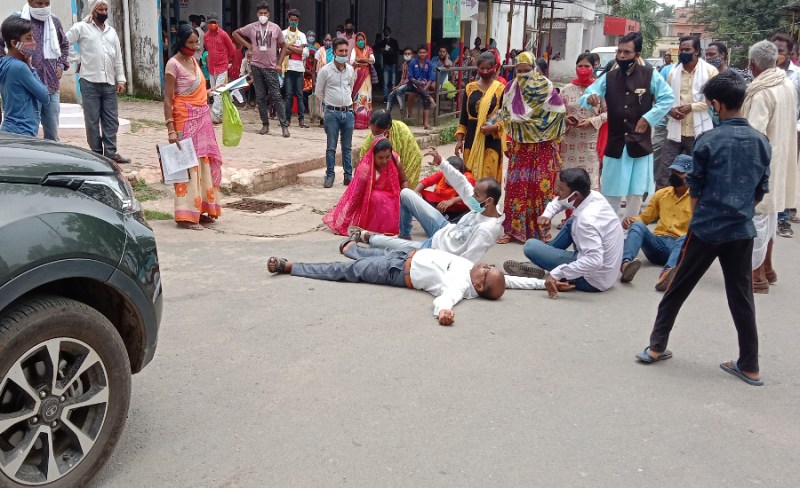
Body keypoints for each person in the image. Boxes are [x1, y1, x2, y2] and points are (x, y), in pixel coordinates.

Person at [636, 70, 771, 387]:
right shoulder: (761, 141)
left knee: (677, 288)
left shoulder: (708, 140)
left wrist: (697, 221)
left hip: (706, 229)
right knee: (742, 298)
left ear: (717, 104)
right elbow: (759, 190)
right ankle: (750, 365)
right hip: (741, 230)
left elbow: (694, 187)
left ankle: (656, 348)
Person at [268, 246, 507, 326]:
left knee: (348, 271)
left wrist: (443, 312)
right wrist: (542, 281)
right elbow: (513, 280)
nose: (486, 265)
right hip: (405, 255)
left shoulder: (458, 286)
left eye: (487, 270)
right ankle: (353, 249)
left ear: (478, 285)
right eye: (490, 266)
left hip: (394, 271)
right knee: (372, 253)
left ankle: (292, 267)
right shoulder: (471, 270)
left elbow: (445, 300)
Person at [350, 147, 504, 264]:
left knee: (389, 244)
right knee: (406, 194)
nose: (472, 197)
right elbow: (462, 183)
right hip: (444, 228)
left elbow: (467, 261)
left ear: (489, 200)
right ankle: (405, 233)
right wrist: (442, 162)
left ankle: (368, 237)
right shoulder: (480, 205)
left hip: (436, 249)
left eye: (476, 195)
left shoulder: (487, 230)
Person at [581, 32, 674, 220]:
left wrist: (649, 118)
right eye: (619, 52)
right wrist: (589, 98)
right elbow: (588, 95)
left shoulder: (650, 75)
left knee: (636, 194)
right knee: (610, 192)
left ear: (637, 54)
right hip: (615, 143)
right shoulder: (609, 77)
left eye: (627, 52)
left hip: (639, 143)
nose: (622, 56)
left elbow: (667, 98)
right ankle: (608, 233)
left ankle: (629, 233)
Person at [483, 51, 566, 243]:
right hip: (520, 146)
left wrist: (536, 125)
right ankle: (512, 230)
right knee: (515, 187)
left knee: (540, 188)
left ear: (534, 69)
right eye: (518, 71)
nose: (522, 75)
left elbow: (558, 112)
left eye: (526, 70)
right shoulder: (511, 87)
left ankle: (542, 230)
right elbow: (503, 112)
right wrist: (491, 123)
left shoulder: (545, 87)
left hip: (543, 146)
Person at [505, 168, 624, 292]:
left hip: (592, 279)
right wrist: (547, 215)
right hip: (607, 272)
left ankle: (540, 263)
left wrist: (556, 274)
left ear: (575, 195)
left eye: (561, 189)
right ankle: (542, 262)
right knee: (571, 222)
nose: (557, 192)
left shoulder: (585, 221)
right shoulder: (593, 196)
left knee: (530, 246)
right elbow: (560, 201)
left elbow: (594, 261)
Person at [742, 40, 798, 293]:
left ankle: (756, 276)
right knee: (771, 215)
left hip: (763, 162)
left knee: (759, 217)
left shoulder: (762, 91)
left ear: (752, 64)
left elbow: (754, 134)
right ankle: (767, 267)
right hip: (781, 156)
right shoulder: (785, 83)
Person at [163, 24, 224, 231]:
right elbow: (168, 98)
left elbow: (199, 90)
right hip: (184, 119)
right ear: (180, 42)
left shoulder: (194, 61)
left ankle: (202, 210)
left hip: (202, 119)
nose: (195, 46)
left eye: (197, 42)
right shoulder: (173, 65)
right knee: (188, 166)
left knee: (203, 162)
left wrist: (213, 90)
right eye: (190, 42)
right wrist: (170, 128)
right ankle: (186, 215)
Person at [66, 0, 130, 164]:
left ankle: (110, 153)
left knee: (111, 119)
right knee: (92, 120)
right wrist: (77, 59)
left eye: (105, 8)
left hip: (109, 82)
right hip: (89, 81)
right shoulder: (81, 27)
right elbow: (64, 43)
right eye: (100, 9)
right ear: (93, 10)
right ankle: (96, 153)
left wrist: (121, 79)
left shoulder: (111, 32)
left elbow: (117, 57)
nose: (103, 11)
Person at [620, 154, 693, 290]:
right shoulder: (662, 194)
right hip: (658, 244)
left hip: (679, 246)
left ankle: (666, 275)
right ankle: (625, 265)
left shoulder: (696, 198)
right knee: (637, 225)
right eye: (673, 171)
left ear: (690, 175)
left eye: (679, 173)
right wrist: (632, 220)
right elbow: (645, 218)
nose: (674, 175)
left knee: (685, 238)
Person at [0, 1, 68, 141]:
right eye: (39, 3)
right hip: (23, 123)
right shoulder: (17, 21)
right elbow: (43, 96)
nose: (43, 7)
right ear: (30, 1)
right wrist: (29, 66)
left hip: (51, 83)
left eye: (46, 3)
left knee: (52, 135)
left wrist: (61, 65)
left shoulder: (54, 21)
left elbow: (64, 45)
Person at [660, 36, 717, 191]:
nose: (683, 52)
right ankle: (661, 208)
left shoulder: (710, 71)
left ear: (697, 51)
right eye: (681, 50)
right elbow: (667, 98)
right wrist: (670, 110)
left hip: (699, 130)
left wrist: (690, 107)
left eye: (687, 50)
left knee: (699, 170)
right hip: (675, 128)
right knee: (666, 170)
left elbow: (710, 100)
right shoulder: (673, 72)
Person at [323, 137, 409, 236]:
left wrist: (405, 199)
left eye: (387, 157)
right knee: (378, 197)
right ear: (374, 156)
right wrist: (345, 222)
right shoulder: (365, 168)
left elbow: (404, 181)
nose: (385, 161)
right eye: (380, 158)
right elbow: (356, 195)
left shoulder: (394, 159)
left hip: (393, 198)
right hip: (371, 202)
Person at [233, 2, 289, 137]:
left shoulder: (275, 28)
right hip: (256, 66)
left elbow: (284, 46)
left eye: (265, 13)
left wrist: (279, 63)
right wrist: (248, 44)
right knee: (260, 97)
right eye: (260, 13)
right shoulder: (252, 27)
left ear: (269, 14)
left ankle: (284, 125)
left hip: (270, 67)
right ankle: (265, 124)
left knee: (276, 96)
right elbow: (235, 33)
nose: (263, 15)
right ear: (257, 14)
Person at [455, 52, 506, 183]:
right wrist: (460, 140)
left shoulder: (500, 89)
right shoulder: (469, 88)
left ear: (494, 68)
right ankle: (469, 204)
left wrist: (494, 127)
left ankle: (489, 203)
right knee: (470, 178)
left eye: (488, 68)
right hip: (472, 138)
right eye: (481, 68)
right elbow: (464, 116)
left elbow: (506, 115)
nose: (484, 71)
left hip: (491, 139)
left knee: (488, 178)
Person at [560, 53, 606, 191]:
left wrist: (592, 121)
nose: (583, 69)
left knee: (589, 186)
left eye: (587, 66)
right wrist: (565, 121)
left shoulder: (600, 90)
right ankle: (569, 213)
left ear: (594, 68)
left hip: (590, 145)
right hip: (568, 146)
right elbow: (556, 114)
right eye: (580, 66)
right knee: (568, 186)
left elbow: (607, 112)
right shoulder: (566, 90)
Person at [770, 33, 800, 238]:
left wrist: (796, 129)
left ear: (790, 53)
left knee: (783, 175)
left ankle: (782, 219)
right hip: (768, 131)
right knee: (767, 174)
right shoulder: (762, 72)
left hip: (790, 132)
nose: (777, 55)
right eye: (774, 51)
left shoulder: (797, 75)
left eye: (780, 51)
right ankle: (765, 215)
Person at [0, 15, 50, 137]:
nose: (33, 42)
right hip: (22, 130)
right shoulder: (20, 68)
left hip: (11, 128)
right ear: (14, 43)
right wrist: (31, 68)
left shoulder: (4, 62)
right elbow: (44, 97)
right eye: (28, 38)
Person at [315, 38, 355, 188]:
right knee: (331, 146)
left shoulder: (350, 70)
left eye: (346, 51)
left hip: (348, 112)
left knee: (347, 147)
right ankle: (330, 175)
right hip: (332, 113)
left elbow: (350, 88)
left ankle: (348, 176)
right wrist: (331, 103)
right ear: (334, 52)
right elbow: (319, 92)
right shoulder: (325, 71)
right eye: (340, 51)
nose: (344, 54)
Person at [359, 110, 422, 186]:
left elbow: (415, 155)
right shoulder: (369, 143)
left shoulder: (402, 131)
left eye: (377, 132)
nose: (374, 134)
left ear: (387, 128)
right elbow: (362, 166)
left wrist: (403, 187)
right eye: (372, 131)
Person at [414, 156, 475, 221]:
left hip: (460, 206)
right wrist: (416, 191)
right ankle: (439, 216)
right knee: (419, 194)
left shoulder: (468, 178)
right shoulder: (443, 173)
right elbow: (426, 181)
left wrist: (452, 201)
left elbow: (470, 194)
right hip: (441, 203)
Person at [202, 12, 234, 124]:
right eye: (210, 22)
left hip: (222, 67)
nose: (212, 24)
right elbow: (207, 50)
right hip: (211, 68)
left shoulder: (223, 35)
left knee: (218, 92)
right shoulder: (206, 36)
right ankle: (223, 112)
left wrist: (228, 61)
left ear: (217, 23)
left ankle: (216, 115)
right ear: (207, 23)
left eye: (214, 22)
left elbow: (231, 49)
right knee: (216, 91)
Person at [394, 45, 437, 129]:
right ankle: (430, 98)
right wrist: (418, 83)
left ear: (427, 53)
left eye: (424, 52)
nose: (422, 54)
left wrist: (424, 89)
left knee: (425, 100)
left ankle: (425, 123)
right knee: (414, 84)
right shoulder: (413, 63)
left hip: (423, 86)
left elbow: (430, 79)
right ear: (417, 53)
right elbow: (410, 77)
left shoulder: (429, 64)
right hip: (413, 84)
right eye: (420, 52)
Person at [278, 9, 307, 129]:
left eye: (295, 20)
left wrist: (289, 47)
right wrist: (296, 49)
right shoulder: (283, 33)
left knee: (300, 95)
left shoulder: (302, 35)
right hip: (288, 67)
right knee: (289, 94)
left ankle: (301, 120)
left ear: (298, 21)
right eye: (291, 20)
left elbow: (304, 52)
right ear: (289, 20)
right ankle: (287, 119)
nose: (293, 22)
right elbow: (281, 51)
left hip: (299, 68)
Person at [349, 32, 374, 130]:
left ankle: (365, 122)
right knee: (358, 97)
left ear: (365, 40)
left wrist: (360, 60)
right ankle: (358, 122)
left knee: (366, 97)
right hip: (357, 75)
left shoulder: (369, 49)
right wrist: (365, 60)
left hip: (366, 76)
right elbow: (352, 61)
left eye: (362, 40)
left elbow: (373, 60)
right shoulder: (354, 49)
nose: (360, 42)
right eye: (358, 40)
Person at [385, 46, 415, 115]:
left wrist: (398, 87)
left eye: (409, 54)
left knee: (398, 91)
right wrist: (397, 86)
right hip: (404, 84)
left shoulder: (414, 64)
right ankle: (386, 114)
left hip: (412, 84)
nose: (407, 55)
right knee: (390, 95)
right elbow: (403, 78)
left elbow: (410, 78)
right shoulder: (404, 64)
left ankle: (403, 110)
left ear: (412, 55)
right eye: (406, 54)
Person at [375, 26, 400, 101]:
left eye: (387, 31)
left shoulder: (394, 41)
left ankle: (392, 97)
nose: (386, 32)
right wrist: (381, 50)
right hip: (386, 64)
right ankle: (386, 97)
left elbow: (398, 51)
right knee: (385, 83)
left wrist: (391, 51)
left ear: (390, 32)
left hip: (393, 64)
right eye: (384, 31)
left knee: (393, 83)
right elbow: (375, 48)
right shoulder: (382, 42)